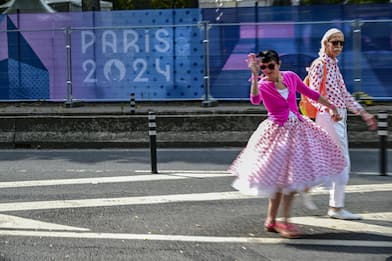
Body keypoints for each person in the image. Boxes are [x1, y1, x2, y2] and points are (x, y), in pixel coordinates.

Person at [228, 50, 347, 239]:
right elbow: (255, 100)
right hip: (277, 132)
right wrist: (253, 74)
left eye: (270, 66)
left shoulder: (291, 77)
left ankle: (273, 220)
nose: (267, 70)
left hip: (298, 129)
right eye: (263, 67)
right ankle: (281, 220)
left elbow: (310, 93)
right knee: (284, 180)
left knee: (288, 179)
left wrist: (331, 107)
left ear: (278, 63)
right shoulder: (262, 84)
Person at [307, 28, 377, 220]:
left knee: (331, 160)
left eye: (341, 43)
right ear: (325, 43)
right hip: (329, 117)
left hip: (338, 116)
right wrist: (329, 109)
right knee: (341, 161)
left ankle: (321, 197)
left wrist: (363, 113)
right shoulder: (319, 64)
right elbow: (312, 94)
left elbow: (344, 95)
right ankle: (335, 207)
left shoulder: (333, 65)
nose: (338, 46)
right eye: (334, 42)